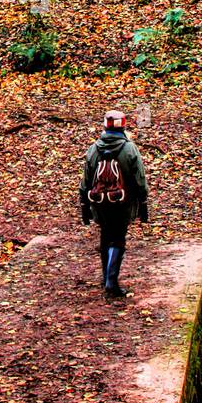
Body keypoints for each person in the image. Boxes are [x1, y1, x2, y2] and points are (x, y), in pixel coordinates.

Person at [79, 110, 148, 298]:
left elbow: (85, 181)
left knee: (105, 235)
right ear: (123, 126)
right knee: (118, 237)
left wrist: (84, 204)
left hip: (99, 203)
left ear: (104, 126)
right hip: (122, 202)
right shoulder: (130, 149)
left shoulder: (94, 149)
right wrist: (143, 201)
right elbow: (140, 179)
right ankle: (111, 281)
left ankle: (106, 277)